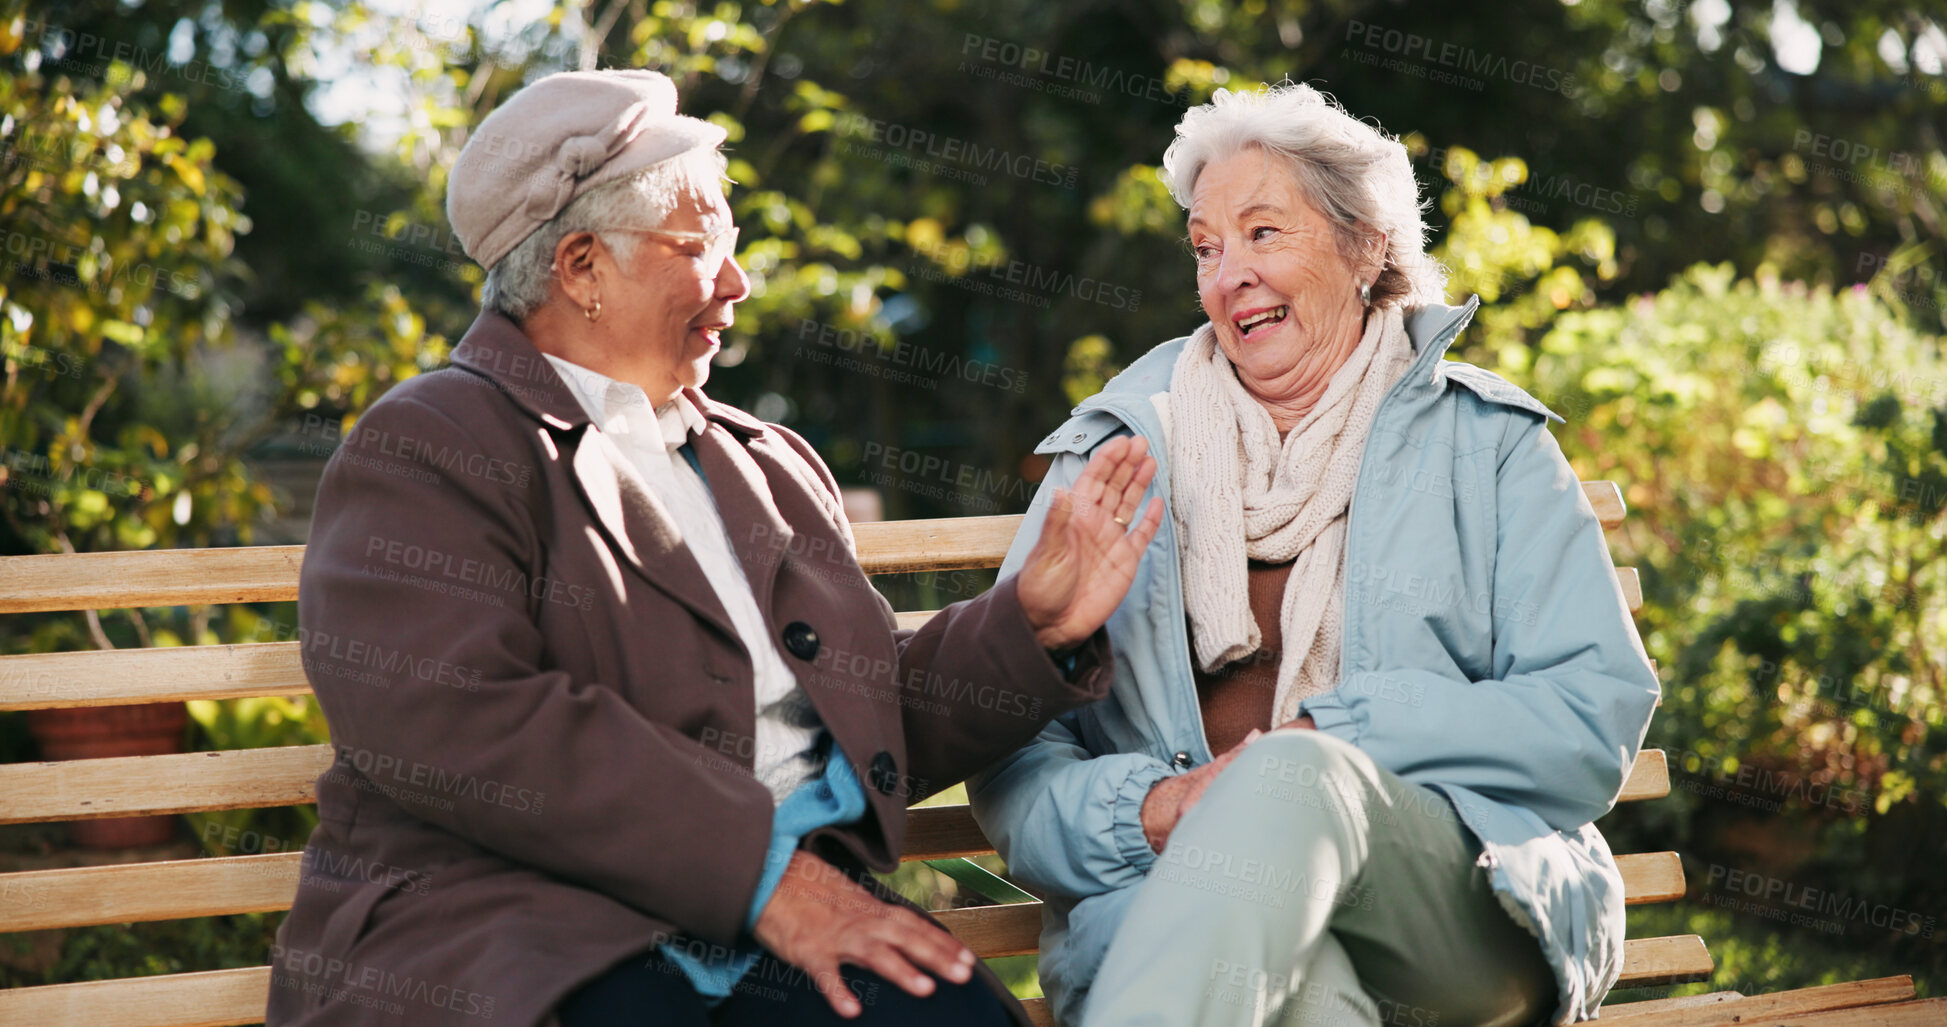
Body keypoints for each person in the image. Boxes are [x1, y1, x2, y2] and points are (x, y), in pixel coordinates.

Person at [266, 69, 1163, 1027]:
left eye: (730, 245)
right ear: (580, 267)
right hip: (519, 932)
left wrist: (1027, 625)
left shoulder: (762, 461)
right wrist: (762, 875)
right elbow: (457, 719)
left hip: (778, 924)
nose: (737, 284)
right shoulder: (433, 440)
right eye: (699, 249)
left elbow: (851, 721)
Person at [968, 82, 1660, 1027]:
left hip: (1454, 911)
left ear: (1367, 244)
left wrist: (1343, 737)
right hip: (1183, 925)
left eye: (1262, 233)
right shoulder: (1118, 455)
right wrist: (1151, 808)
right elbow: (1013, 751)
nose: (1227, 275)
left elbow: (1588, 714)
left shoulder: (1485, 443)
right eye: (1206, 247)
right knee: (1309, 999)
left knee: (1289, 780)